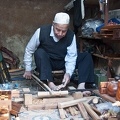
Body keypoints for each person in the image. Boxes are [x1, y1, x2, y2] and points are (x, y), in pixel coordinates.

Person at [23, 12, 95, 95]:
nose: (60, 34)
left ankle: (81, 86)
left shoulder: (71, 36)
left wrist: (68, 73)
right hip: (47, 62)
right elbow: (29, 50)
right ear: (53, 24)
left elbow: (71, 56)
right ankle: (51, 83)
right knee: (39, 52)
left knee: (86, 56)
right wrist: (28, 69)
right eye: (58, 30)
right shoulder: (41, 31)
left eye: (64, 31)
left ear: (67, 28)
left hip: (62, 62)